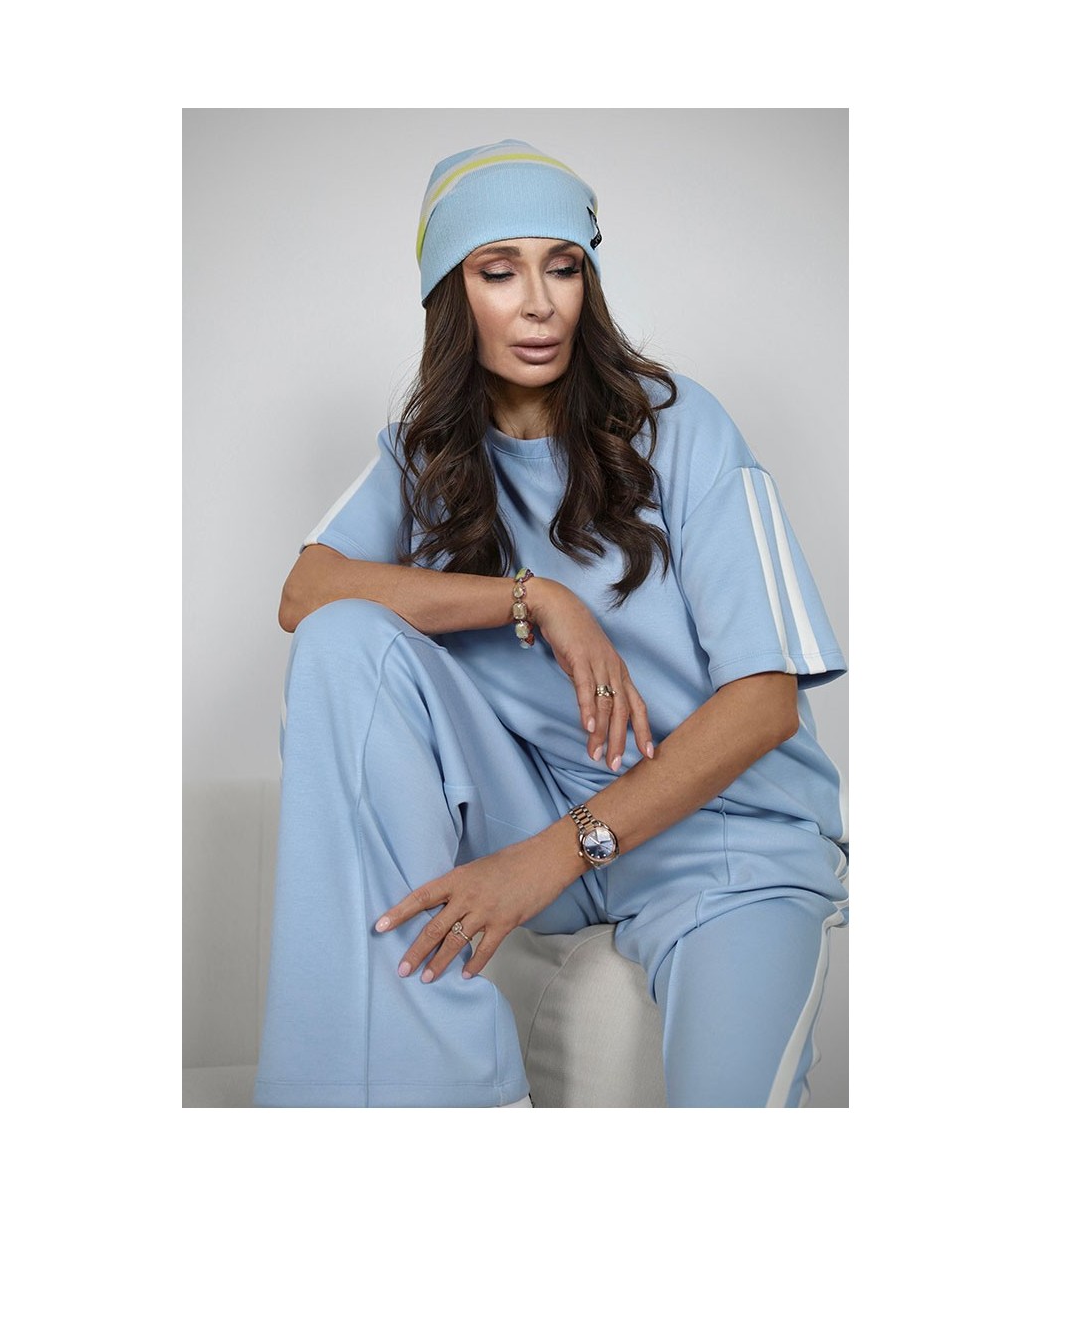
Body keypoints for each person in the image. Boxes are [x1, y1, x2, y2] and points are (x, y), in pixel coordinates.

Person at [253, 138, 848, 1108]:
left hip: (723, 841)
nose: (539, 303)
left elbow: (764, 704)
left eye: (562, 267)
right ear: (451, 294)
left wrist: (543, 860)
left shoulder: (680, 427)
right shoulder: (424, 457)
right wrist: (532, 598)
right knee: (344, 641)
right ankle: (433, 1099)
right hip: (532, 805)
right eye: (499, 271)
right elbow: (305, 595)